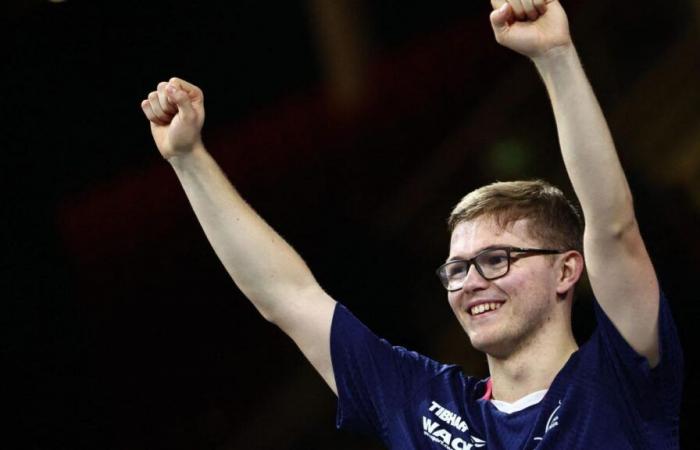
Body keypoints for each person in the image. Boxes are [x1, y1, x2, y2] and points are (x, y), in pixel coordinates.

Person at [140, 0, 682, 448]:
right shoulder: (422, 403)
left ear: (567, 271)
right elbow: (285, 296)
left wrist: (556, 57)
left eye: (496, 260)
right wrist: (188, 161)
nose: (471, 283)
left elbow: (613, 226)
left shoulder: (620, 375)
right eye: (457, 268)